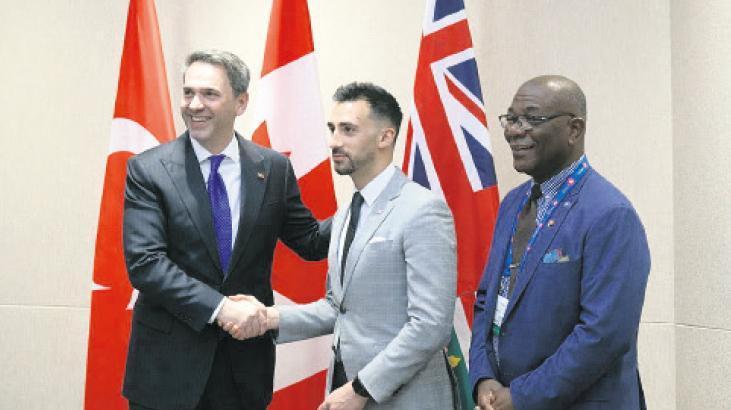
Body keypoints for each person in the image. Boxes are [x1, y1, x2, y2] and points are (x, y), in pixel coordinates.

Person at [226, 82, 458, 409]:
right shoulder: (348, 210)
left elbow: (431, 326)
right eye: (332, 129)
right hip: (346, 386)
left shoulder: (422, 210)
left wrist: (360, 389)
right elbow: (338, 307)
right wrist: (267, 317)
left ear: (385, 137)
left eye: (348, 130)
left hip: (403, 397)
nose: (334, 141)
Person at [122, 49, 330, 410]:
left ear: (241, 102)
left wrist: (368, 202)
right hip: (168, 372)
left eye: (209, 94)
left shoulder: (273, 169)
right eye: (188, 93)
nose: (194, 105)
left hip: (242, 373)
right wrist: (220, 308)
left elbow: (310, 241)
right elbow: (146, 263)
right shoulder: (149, 170)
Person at [469, 75, 650, 410]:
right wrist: (482, 377)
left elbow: (602, 335)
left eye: (531, 119)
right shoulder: (512, 203)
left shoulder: (610, 215)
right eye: (511, 118)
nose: (514, 130)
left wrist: (522, 396)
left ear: (574, 130)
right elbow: (486, 301)